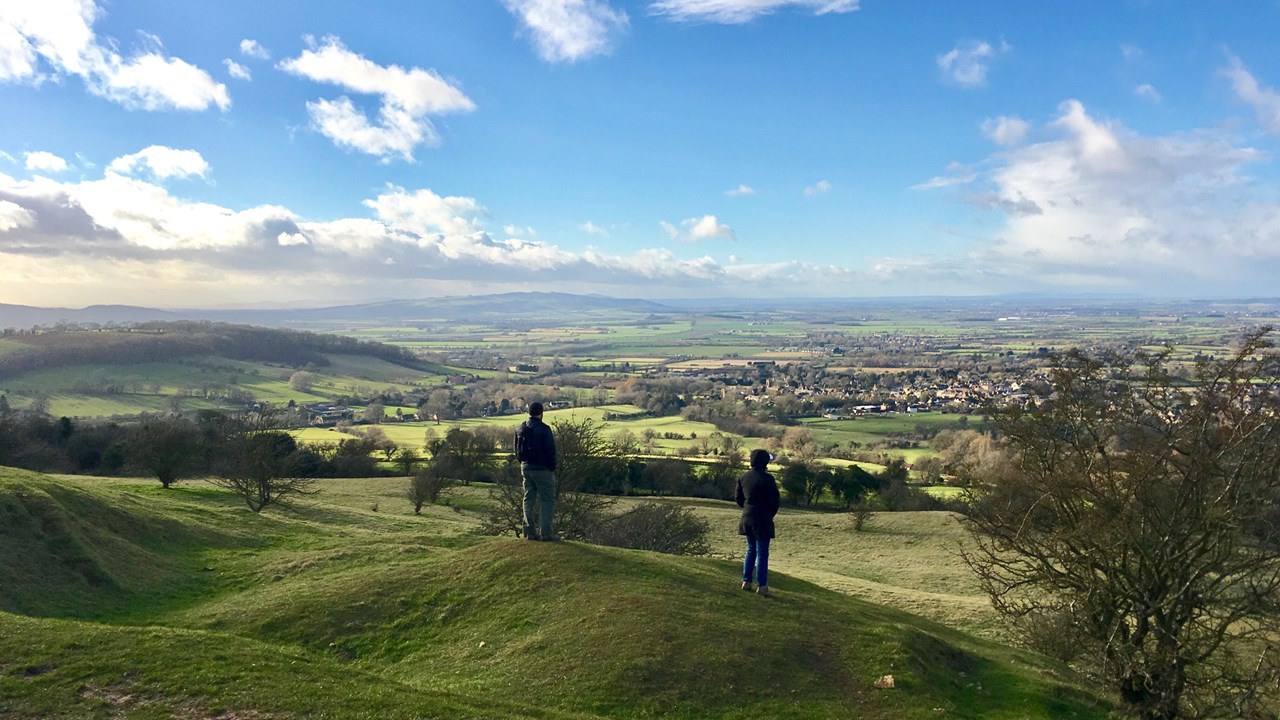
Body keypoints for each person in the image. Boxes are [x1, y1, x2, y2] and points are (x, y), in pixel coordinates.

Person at [736, 449, 780, 597]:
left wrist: (748, 509)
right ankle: (762, 586)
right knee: (762, 553)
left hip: (747, 517)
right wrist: (769, 514)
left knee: (750, 549)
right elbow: (775, 502)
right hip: (763, 519)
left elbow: (739, 499)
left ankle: (746, 581)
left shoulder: (743, 477)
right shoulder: (768, 479)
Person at [515, 401, 558, 541]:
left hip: (525, 467)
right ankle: (546, 533)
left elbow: (516, 450)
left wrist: (523, 464)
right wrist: (552, 467)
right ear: (541, 413)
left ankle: (529, 531)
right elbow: (550, 451)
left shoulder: (520, 428)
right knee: (547, 499)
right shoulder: (544, 429)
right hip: (543, 469)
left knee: (528, 498)